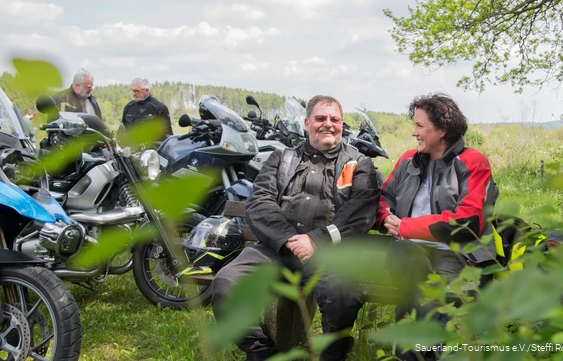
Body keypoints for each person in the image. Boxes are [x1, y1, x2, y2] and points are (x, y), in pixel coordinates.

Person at [211, 95, 380, 360]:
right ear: (306, 123)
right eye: (320, 118)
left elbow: (360, 212)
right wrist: (290, 239)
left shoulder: (358, 164)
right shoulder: (281, 158)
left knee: (343, 296)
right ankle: (261, 353)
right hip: (274, 249)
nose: (328, 124)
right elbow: (259, 203)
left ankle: (332, 356)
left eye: (334, 119)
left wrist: (315, 240)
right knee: (225, 284)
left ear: (342, 124)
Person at [376, 93, 498, 360]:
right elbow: (384, 198)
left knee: (434, 298)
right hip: (408, 249)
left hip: (455, 252)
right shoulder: (408, 160)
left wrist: (406, 226)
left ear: (442, 130)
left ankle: (408, 351)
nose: (413, 133)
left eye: (420, 126)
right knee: (404, 258)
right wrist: (387, 219)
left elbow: (468, 221)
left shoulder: (473, 162)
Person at [121, 78, 173, 142]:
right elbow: (122, 131)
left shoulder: (159, 108)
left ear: (146, 90)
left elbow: (167, 136)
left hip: (152, 149)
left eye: (137, 91)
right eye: (133, 91)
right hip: (130, 149)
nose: (134, 94)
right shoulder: (129, 107)